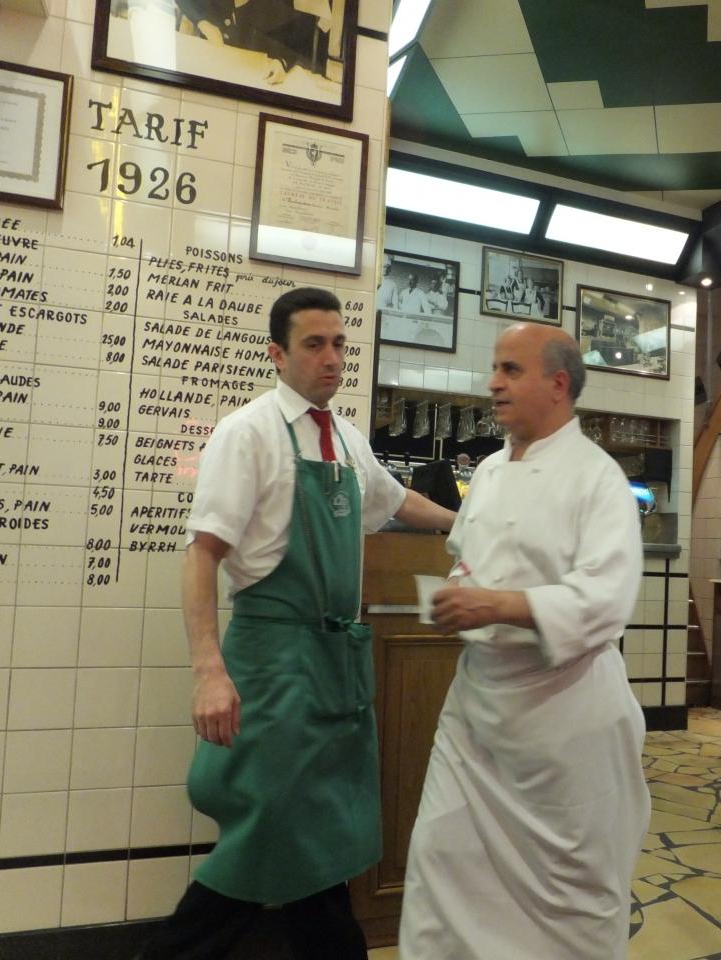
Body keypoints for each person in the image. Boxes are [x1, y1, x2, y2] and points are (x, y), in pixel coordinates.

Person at [139, 288, 456, 960]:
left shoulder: (344, 437)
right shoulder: (247, 433)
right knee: (267, 835)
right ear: (277, 354)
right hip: (275, 666)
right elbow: (202, 555)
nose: (332, 357)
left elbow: (396, 500)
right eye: (314, 344)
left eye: (339, 343)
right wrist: (208, 672)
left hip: (336, 665)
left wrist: (468, 523)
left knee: (319, 844)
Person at [398, 324, 650, 960]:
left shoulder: (598, 479)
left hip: (563, 719)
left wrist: (499, 604)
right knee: (441, 857)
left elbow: (607, 600)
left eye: (510, 370)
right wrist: (460, 590)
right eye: (496, 369)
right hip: (476, 717)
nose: (493, 383)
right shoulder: (486, 470)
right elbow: (468, 556)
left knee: (570, 899)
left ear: (558, 384)